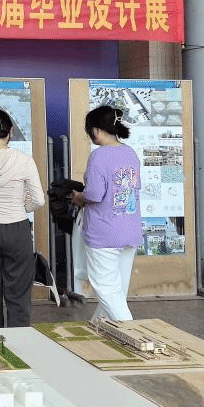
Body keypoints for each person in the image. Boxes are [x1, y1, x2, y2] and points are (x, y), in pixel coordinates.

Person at [0, 108, 45, 328]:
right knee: (19, 291)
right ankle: (18, 341)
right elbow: (39, 200)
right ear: (11, 131)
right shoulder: (24, 160)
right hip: (17, 229)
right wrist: (23, 206)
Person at [71, 105, 142, 322]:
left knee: (107, 291)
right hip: (129, 230)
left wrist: (78, 197)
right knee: (116, 293)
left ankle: (132, 332)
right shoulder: (130, 153)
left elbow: (94, 194)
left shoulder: (99, 156)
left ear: (95, 130)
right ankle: (100, 329)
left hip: (104, 233)